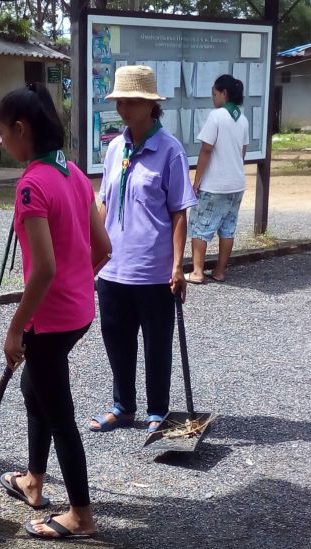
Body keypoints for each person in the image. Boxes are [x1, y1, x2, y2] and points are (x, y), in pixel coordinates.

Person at [0, 84, 112, 540]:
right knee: (34, 389)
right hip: (79, 312)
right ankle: (33, 481)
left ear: (21, 129)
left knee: (59, 413)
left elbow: (42, 269)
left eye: (2, 131)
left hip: (49, 320)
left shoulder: (31, 186)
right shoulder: (74, 174)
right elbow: (103, 247)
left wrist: (15, 329)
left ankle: (81, 515)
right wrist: (77, 281)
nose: (1, 140)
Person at [88, 65, 197, 435]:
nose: (124, 108)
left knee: (156, 345)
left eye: (132, 101)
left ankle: (157, 410)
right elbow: (104, 202)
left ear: (151, 105)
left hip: (153, 271)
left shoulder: (170, 150)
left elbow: (179, 212)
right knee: (116, 341)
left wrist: (178, 266)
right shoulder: (115, 147)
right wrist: (93, 255)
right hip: (112, 269)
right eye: (120, 101)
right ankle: (123, 406)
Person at [189, 74, 249, 284]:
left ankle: (197, 272)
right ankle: (220, 271)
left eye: (214, 94)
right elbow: (242, 151)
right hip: (237, 183)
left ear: (224, 93)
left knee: (200, 227)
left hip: (214, 184)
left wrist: (196, 181)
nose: (213, 98)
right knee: (228, 229)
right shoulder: (243, 119)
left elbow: (206, 150)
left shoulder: (216, 117)